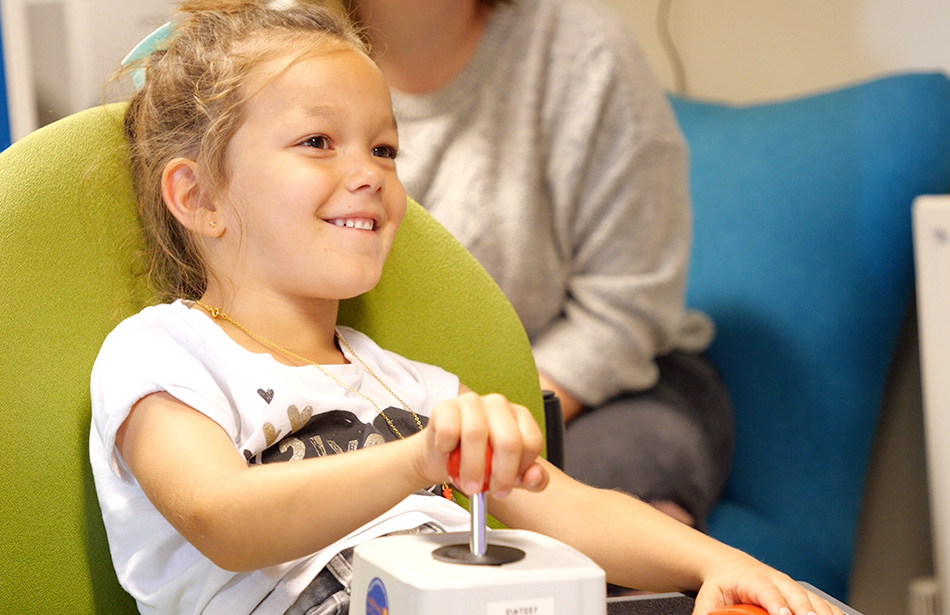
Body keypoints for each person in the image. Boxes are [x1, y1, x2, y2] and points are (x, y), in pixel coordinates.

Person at [89, 2, 841, 614]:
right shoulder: (161, 352)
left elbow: (570, 509)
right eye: (319, 141)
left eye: (384, 150)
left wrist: (728, 565)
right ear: (198, 196)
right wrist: (417, 459)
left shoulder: (412, 385)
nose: (368, 174)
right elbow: (219, 517)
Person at [344, 0, 732, 528]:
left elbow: (627, 310)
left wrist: (482, 428)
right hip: (362, 391)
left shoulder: (585, 52)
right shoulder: (268, 44)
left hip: (594, 391)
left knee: (617, 506)